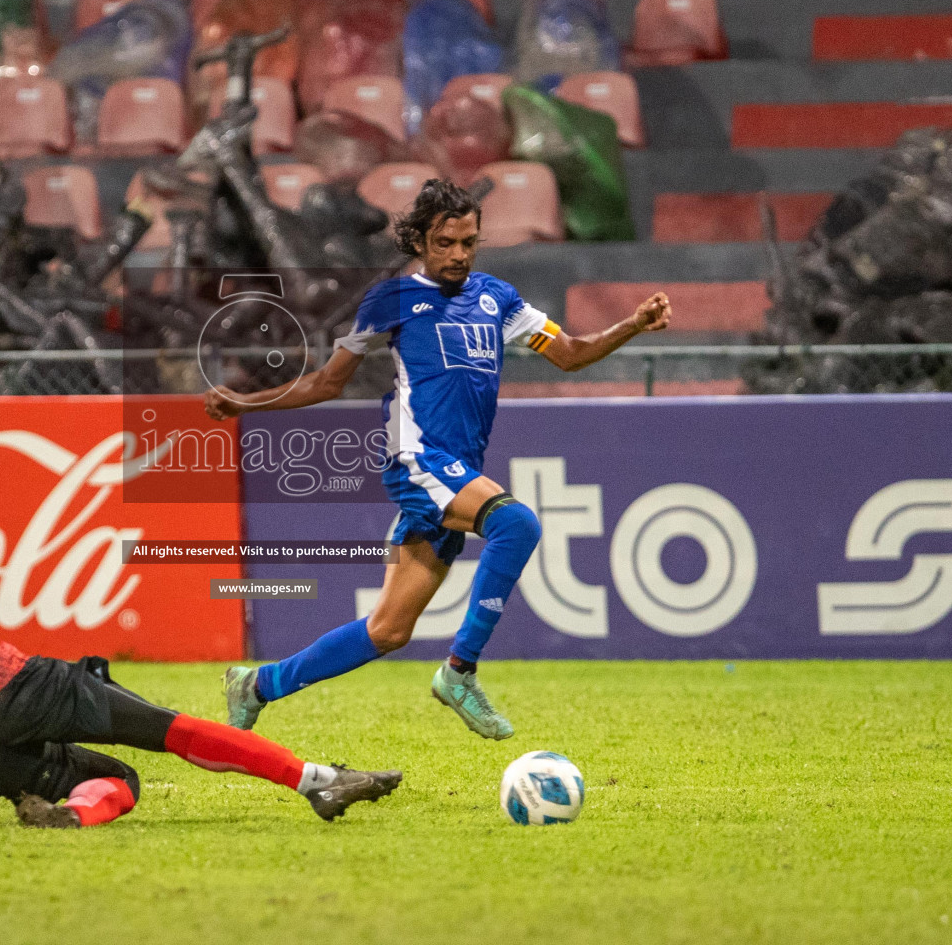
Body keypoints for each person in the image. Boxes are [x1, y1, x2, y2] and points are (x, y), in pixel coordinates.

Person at [204, 179, 672, 740]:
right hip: (418, 460)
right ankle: (460, 672)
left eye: (468, 242)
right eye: (444, 242)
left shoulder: (499, 299)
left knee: (387, 631)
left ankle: (256, 686)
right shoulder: (391, 302)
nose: (457, 254)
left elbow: (569, 354)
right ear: (421, 242)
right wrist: (246, 402)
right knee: (516, 523)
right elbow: (329, 382)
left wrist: (632, 325)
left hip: (458, 469)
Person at [0, 457, 401, 828]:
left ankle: (72, 816)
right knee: (167, 728)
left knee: (116, 777)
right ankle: (316, 779)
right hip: (13, 689)